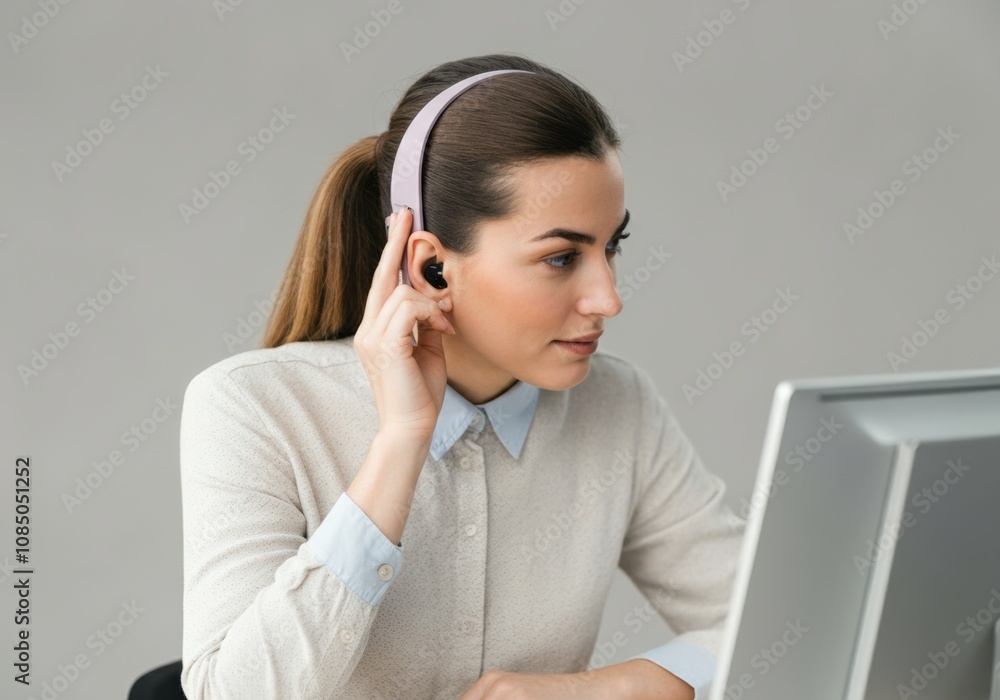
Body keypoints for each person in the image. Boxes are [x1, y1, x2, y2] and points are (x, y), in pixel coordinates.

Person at [179, 53, 746, 700]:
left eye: (610, 246)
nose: (608, 299)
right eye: (561, 258)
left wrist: (612, 687)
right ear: (432, 268)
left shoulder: (619, 407)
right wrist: (401, 441)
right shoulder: (255, 408)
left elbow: (775, 620)